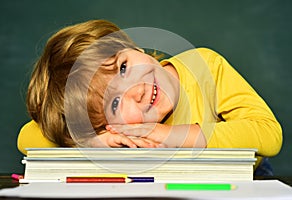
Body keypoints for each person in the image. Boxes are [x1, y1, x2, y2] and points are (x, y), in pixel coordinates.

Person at [17, 19, 282, 173]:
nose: (136, 89)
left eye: (123, 67)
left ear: (132, 46)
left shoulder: (205, 67)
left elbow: (269, 135)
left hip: (245, 179)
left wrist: (168, 135)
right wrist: (92, 140)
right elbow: (26, 139)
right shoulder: (113, 134)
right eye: (115, 103)